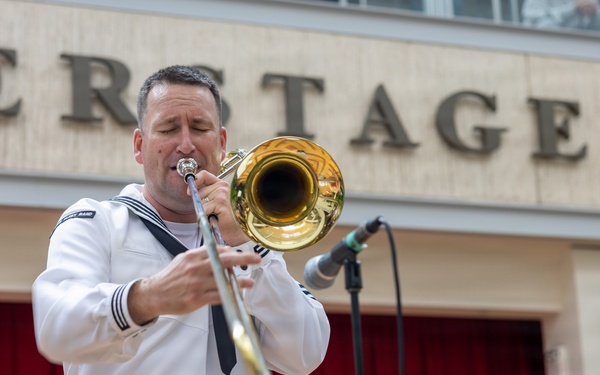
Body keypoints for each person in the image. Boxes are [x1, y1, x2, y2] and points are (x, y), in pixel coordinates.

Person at [32, 65, 330, 375]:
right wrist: (148, 297)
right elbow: (56, 328)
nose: (186, 144)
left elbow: (305, 355)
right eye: (168, 128)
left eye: (200, 128)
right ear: (139, 146)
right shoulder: (95, 222)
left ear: (222, 143)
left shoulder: (245, 237)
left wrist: (248, 243)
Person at [522, 0, 600, 30]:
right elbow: (531, 16)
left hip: (580, 46)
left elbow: (594, 27)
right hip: (536, 46)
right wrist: (573, 9)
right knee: (546, 24)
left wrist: (594, 14)